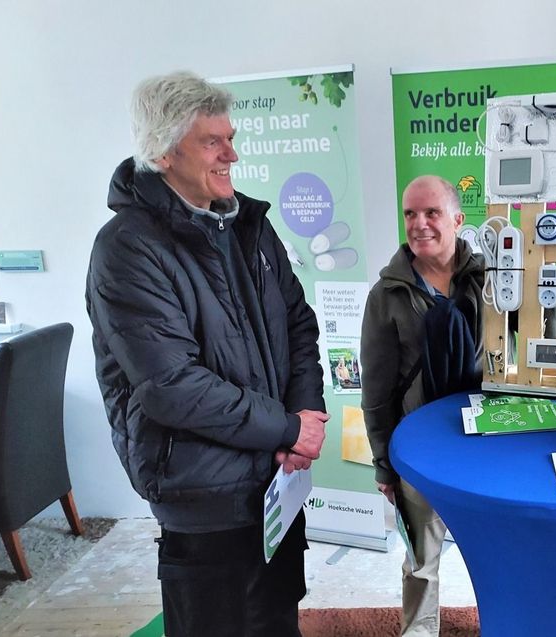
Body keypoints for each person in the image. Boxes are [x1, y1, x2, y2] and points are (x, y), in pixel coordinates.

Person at [86, 72, 329, 637]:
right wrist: (289, 427)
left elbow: (298, 322)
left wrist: (304, 419)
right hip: (204, 493)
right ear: (164, 153)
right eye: (212, 142)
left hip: (274, 479)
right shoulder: (126, 249)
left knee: (276, 621)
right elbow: (172, 386)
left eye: (230, 137)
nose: (232, 154)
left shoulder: (247, 222)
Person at [361, 175, 484, 637]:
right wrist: (382, 463)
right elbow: (375, 388)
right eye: (410, 213)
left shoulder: (489, 280)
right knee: (421, 560)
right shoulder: (388, 294)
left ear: (456, 218)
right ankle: (418, 630)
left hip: (485, 442)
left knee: (493, 551)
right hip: (420, 448)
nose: (419, 224)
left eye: (431, 213)